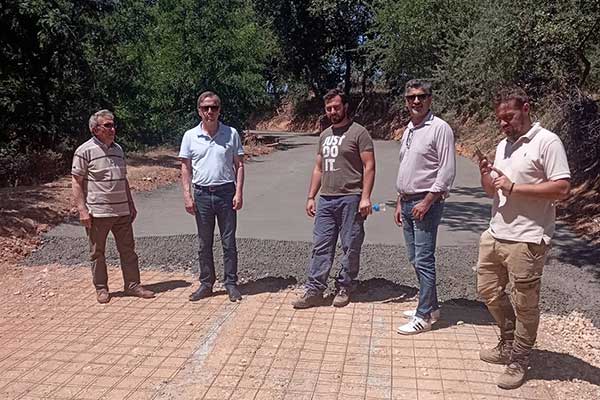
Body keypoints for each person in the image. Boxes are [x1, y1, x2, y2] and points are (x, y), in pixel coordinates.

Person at [477, 87, 570, 389]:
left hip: (528, 238)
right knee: (488, 291)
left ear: (526, 109)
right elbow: (492, 190)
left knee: (526, 304)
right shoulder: (503, 145)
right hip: (496, 232)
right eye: (500, 119)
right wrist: (486, 175)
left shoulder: (547, 142)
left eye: (509, 116)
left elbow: (562, 188)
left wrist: (515, 187)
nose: (504, 123)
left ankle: (519, 358)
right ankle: (507, 342)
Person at [292, 88, 375, 309]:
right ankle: (315, 290)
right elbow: (318, 168)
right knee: (321, 245)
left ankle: (345, 286)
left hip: (351, 198)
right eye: (328, 108)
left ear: (345, 107)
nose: (332, 112)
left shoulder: (359, 133)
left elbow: (369, 166)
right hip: (327, 200)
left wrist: (365, 197)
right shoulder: (324, 135)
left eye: (336, 107)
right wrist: (311, 196)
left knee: (350, 245)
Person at [72, 110, 155, 304]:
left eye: (113, 125)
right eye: (107, 125)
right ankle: (101, 288)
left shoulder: (118, 149)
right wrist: (82, 210)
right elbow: (76, 181)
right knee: (97, 252)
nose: (113, 129)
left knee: (128, 250)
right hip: (97, 212)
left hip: (122, 211)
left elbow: (123, 179)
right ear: (95, 129)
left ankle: (132, 285)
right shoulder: (84, 151)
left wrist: (131, 203)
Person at [394, 79, 456, 334]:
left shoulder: (439, 128)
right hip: (408, 201)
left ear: (430, 99)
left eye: (421, 96)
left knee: (424, 259)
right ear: (406, 101)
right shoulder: (409, 129)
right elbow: (405, 166)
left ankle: (424, 317)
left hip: (426, 202)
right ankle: (430, 306)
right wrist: (400, 201)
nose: (416, 101)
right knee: (415, 257)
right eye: (411, 97)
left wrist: (428, 201)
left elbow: (447, 170)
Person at [179, 91, 245, 302]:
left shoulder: (231, 133)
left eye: (214, 107)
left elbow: (239, 165)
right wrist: (187, 195)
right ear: (199, 111)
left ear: (219, 110)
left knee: (229, 242)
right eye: (206, 108)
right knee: (204, 243)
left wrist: (239, 192)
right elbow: (185, 167)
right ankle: (206, 284)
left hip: (226, 193)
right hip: (202, 194)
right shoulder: (190, 136)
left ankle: (231, 283)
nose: (210, 111)